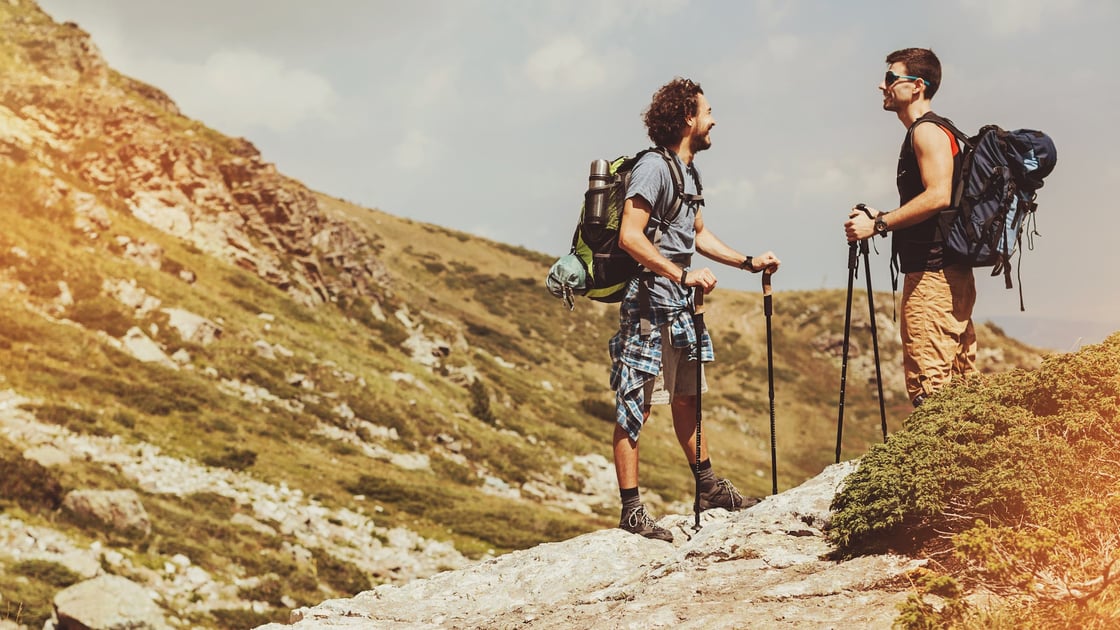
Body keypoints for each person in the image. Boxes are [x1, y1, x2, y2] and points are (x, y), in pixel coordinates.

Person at [610, 77, 781, 541]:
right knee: (636, 407)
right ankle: (631, 510)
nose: (713, 120)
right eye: (708, 112)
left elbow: (697, 235)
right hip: (649, 306)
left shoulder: (689, 174)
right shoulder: (653, 169)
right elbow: (630, 236)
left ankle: (707, 487)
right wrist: (680, 274)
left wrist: (746, 262)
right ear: (688, 118)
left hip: (680, 307)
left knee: (688, 397)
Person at [844, 48, 975, 408]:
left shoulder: (926, 132)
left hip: (932, 277)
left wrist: (879, 224)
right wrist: (881, 215)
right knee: (960, 388)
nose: (881, 86)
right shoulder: (936, 129)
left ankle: (940, 463)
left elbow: (937, 196)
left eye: (890, 78)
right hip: (949, 274)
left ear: (917, 86)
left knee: (930, 390)